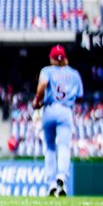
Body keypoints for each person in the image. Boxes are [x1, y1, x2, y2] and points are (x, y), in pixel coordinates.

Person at [32, 45, 84, 196]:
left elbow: (42, 85)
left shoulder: (47, 70)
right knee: (64, 146)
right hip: (65, 111)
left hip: (49, 109)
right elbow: (80, 96)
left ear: (52, 58)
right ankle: (62, 176)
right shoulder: (74, 74)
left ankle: (51, 183)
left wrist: (37, 101)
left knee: (49, 148)